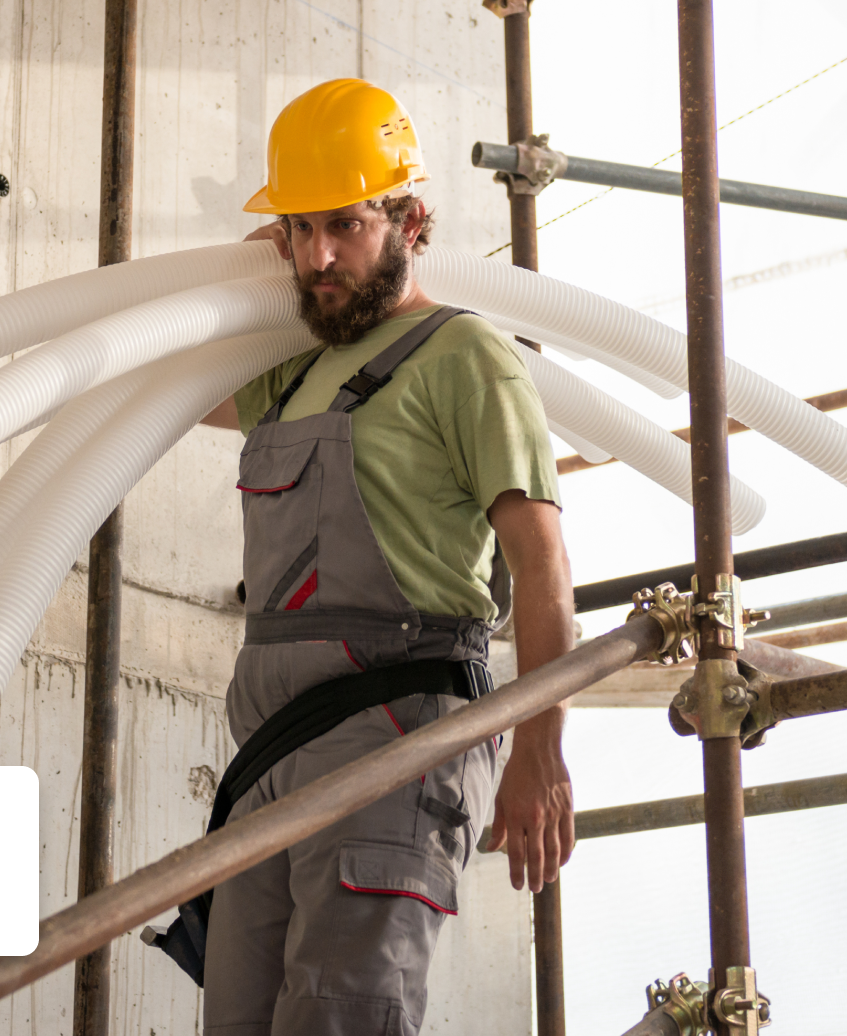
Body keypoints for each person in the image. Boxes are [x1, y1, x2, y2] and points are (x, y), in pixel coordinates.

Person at [197, 78, 577, 1036]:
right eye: (298, 230)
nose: (318, 258)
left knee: (344, 1018)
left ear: (413, 220)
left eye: (345, 226)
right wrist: (263, 248)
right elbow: (183, 387)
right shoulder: (290, 370)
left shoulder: (466, 356)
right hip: (267, 755)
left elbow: (541, 563)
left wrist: (539, 747)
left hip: (395, 740)